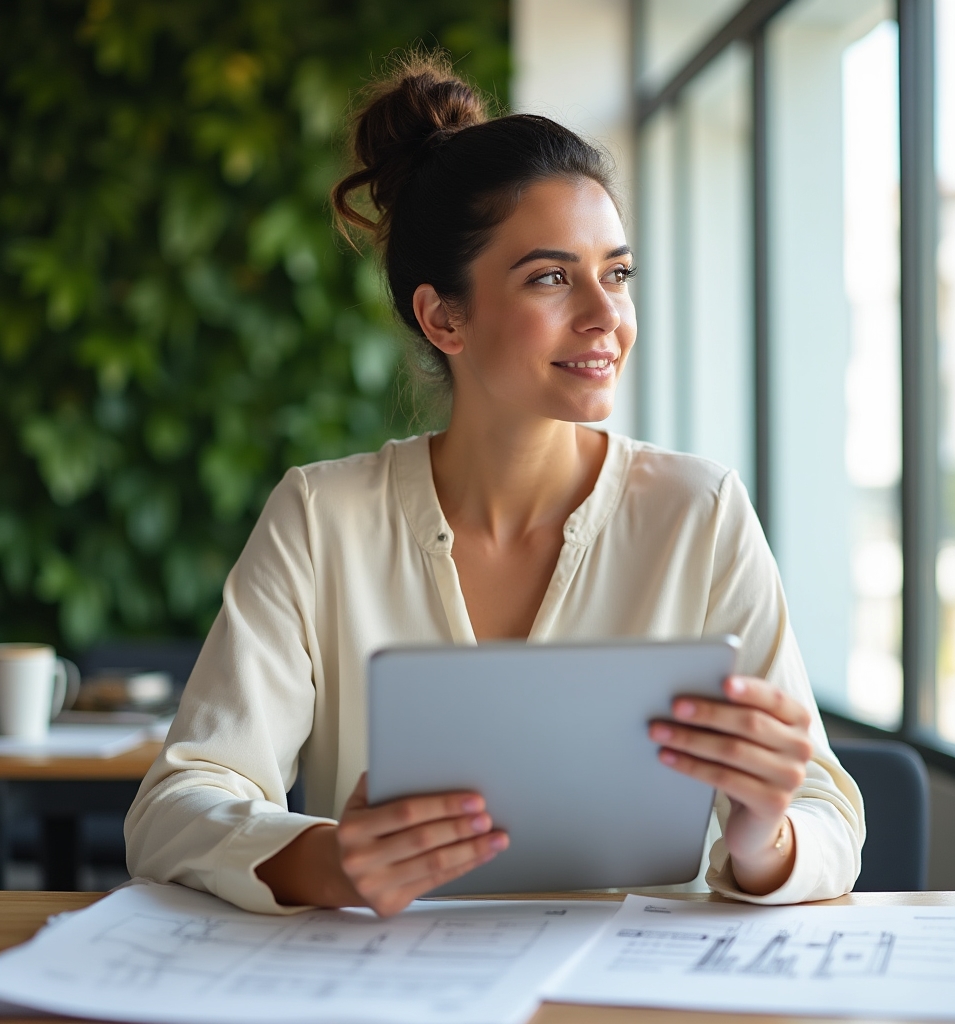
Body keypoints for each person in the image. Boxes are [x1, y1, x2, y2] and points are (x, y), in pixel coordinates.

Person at [125, 55, 865, 917]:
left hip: (635, 999)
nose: (605, 315)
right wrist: (330, 861)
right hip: (387, 994)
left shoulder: (698, 513)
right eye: (552, 277)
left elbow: (823, 811)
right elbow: (173, 809)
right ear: (444, 317)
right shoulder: (322, 519)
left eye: (617, 273)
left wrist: (763, 837)